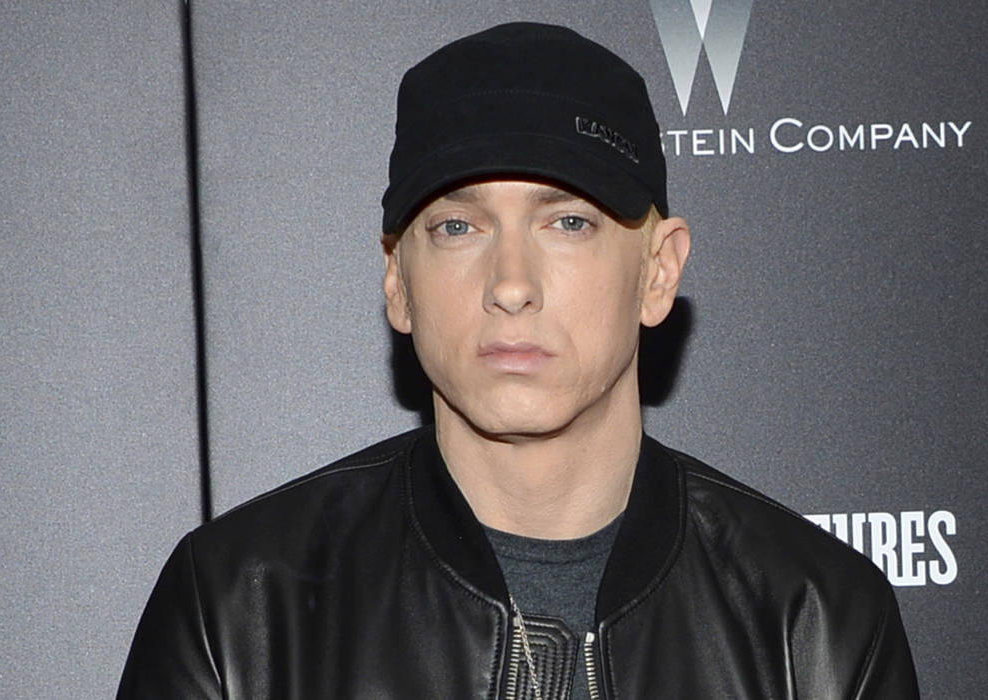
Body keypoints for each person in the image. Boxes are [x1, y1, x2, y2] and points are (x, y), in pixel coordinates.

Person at [118, 22, 919, 699]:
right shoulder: (237, 614)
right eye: (457, 227)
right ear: (398, 281)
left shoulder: (815, 623)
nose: (510, 284)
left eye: (568, 223)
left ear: (658, 271)